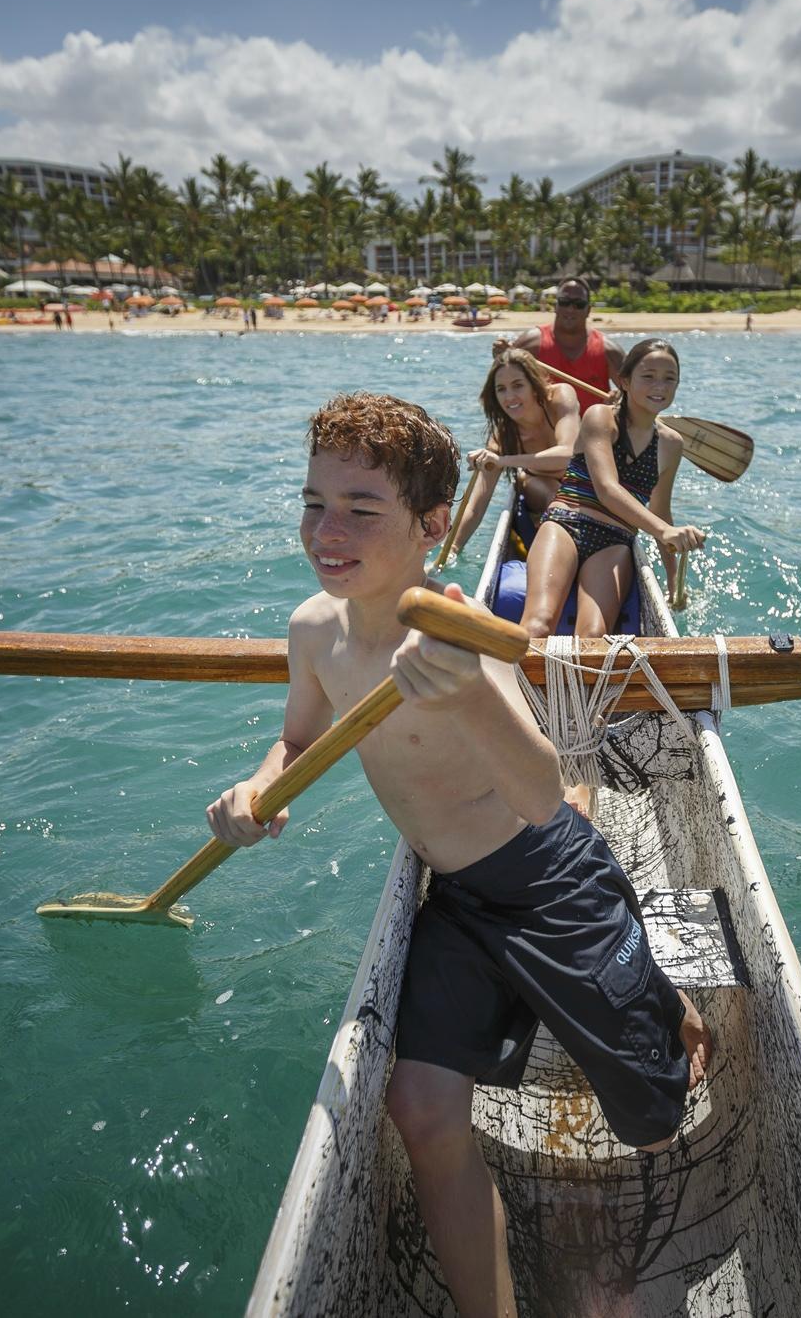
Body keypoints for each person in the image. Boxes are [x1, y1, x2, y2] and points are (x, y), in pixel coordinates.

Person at [205, 393, 710, 1318]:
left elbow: (541, 789)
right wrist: (257, 788)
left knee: (655, 1114)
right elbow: (297, 739)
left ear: (434, 527)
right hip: (460, 899)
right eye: (315, 501)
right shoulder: (314, 629)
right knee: (420, 1108)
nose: (328, 529)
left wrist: (474, 690)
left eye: (363, 509)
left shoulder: (453, 630)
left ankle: (664, 1000)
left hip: (554, 879)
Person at [521, 338, 705, 641]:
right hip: (565, 524)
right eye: (648, 376)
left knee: (593, 636)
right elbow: (607, 488)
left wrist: (674, 584)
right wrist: (664, 532)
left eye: (669, 379)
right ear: (625, 380)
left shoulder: (672, 445)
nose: (659, 385)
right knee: (538, 625)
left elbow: (660, 510)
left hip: (615, 539)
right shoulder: (600, 417)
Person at [450, 348, 582, 559]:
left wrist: (503, 461)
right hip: (541, 486)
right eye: (501, 389)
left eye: (518, 385)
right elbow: (476, 506)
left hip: (579, 480)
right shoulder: (502, 436)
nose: (509, 397)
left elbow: (569, 454)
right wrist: (453, 549)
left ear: (534, 385)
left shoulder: (560, 397)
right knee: (554, 494)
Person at [492, 278, 622, 414]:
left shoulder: (609, 350)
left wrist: (620, 400)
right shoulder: (530, 344)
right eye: (565, 302)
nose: (570, 309)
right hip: (544, 433)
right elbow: (504, 390)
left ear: (588, 310)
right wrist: (501, 359)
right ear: (556, 306)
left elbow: (633, 394)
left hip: (592, 432)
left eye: (579, 304)